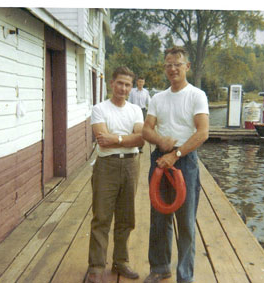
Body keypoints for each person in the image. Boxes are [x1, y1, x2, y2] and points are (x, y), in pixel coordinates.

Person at [142, 46, 209, 283]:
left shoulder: (196, 95)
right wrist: (161, 142)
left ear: (187, 66)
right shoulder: (158, 98)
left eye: (177, 64)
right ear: (165, 68)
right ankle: (160, 267)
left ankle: (185, 276)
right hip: (160, 160)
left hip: (185, 161)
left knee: (186, 222)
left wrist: (177, 153)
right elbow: (146, 129)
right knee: (159, 218)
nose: (173, 69)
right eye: (168, 64)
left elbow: (202, 133)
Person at [86, 66, 144, 283]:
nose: (123, 88)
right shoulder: (100, 108)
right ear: (112, 83)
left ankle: (120, 261)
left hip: (131, 165)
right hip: (106, 166)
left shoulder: (136, 110)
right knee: (101, 216)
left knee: (126, 217)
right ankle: (96, 267)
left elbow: (141, 139)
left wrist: (117, 139)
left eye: (127, 84)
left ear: (132, 87)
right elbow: (102, 138)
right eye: (120, 83)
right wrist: (126, 138)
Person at [128, 76, 151, 153]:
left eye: (142, 82)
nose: (140, 83)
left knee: (141, 129)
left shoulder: (146, 92)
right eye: (139, 82)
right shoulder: (132, 91)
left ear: (144, 83)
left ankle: (140, 147)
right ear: (137, 82)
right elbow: (129, 102)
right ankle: (133, 145)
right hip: (133, 111)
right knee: (132, 127)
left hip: (143, 111)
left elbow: (149, 102)